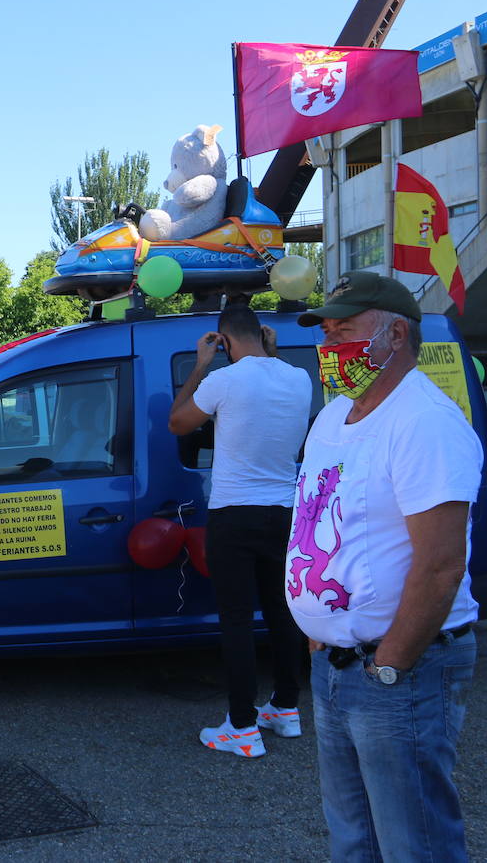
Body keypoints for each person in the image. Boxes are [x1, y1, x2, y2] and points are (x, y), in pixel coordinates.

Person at [288, 272, 481, 860]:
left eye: (343, 329)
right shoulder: (334, 415)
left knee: (413, 842)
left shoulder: (424, 420)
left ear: (396, 334)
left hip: (399, 670)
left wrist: (391, 665)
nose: (328, 344)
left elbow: (442, 564)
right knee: (352, 836)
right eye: (324, 331)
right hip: (338, 665)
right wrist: (321, 635)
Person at [169, 305, 312, 758]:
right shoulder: (299, 379)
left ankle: (242, 727)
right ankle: (286, 709)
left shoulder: (222, 380)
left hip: (234, 513)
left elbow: (177, 423)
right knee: (282, 613)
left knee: (235, 620)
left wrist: (199, 366)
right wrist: (270, 353)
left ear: (224, 341)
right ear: (263, 336)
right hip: (285, 512)